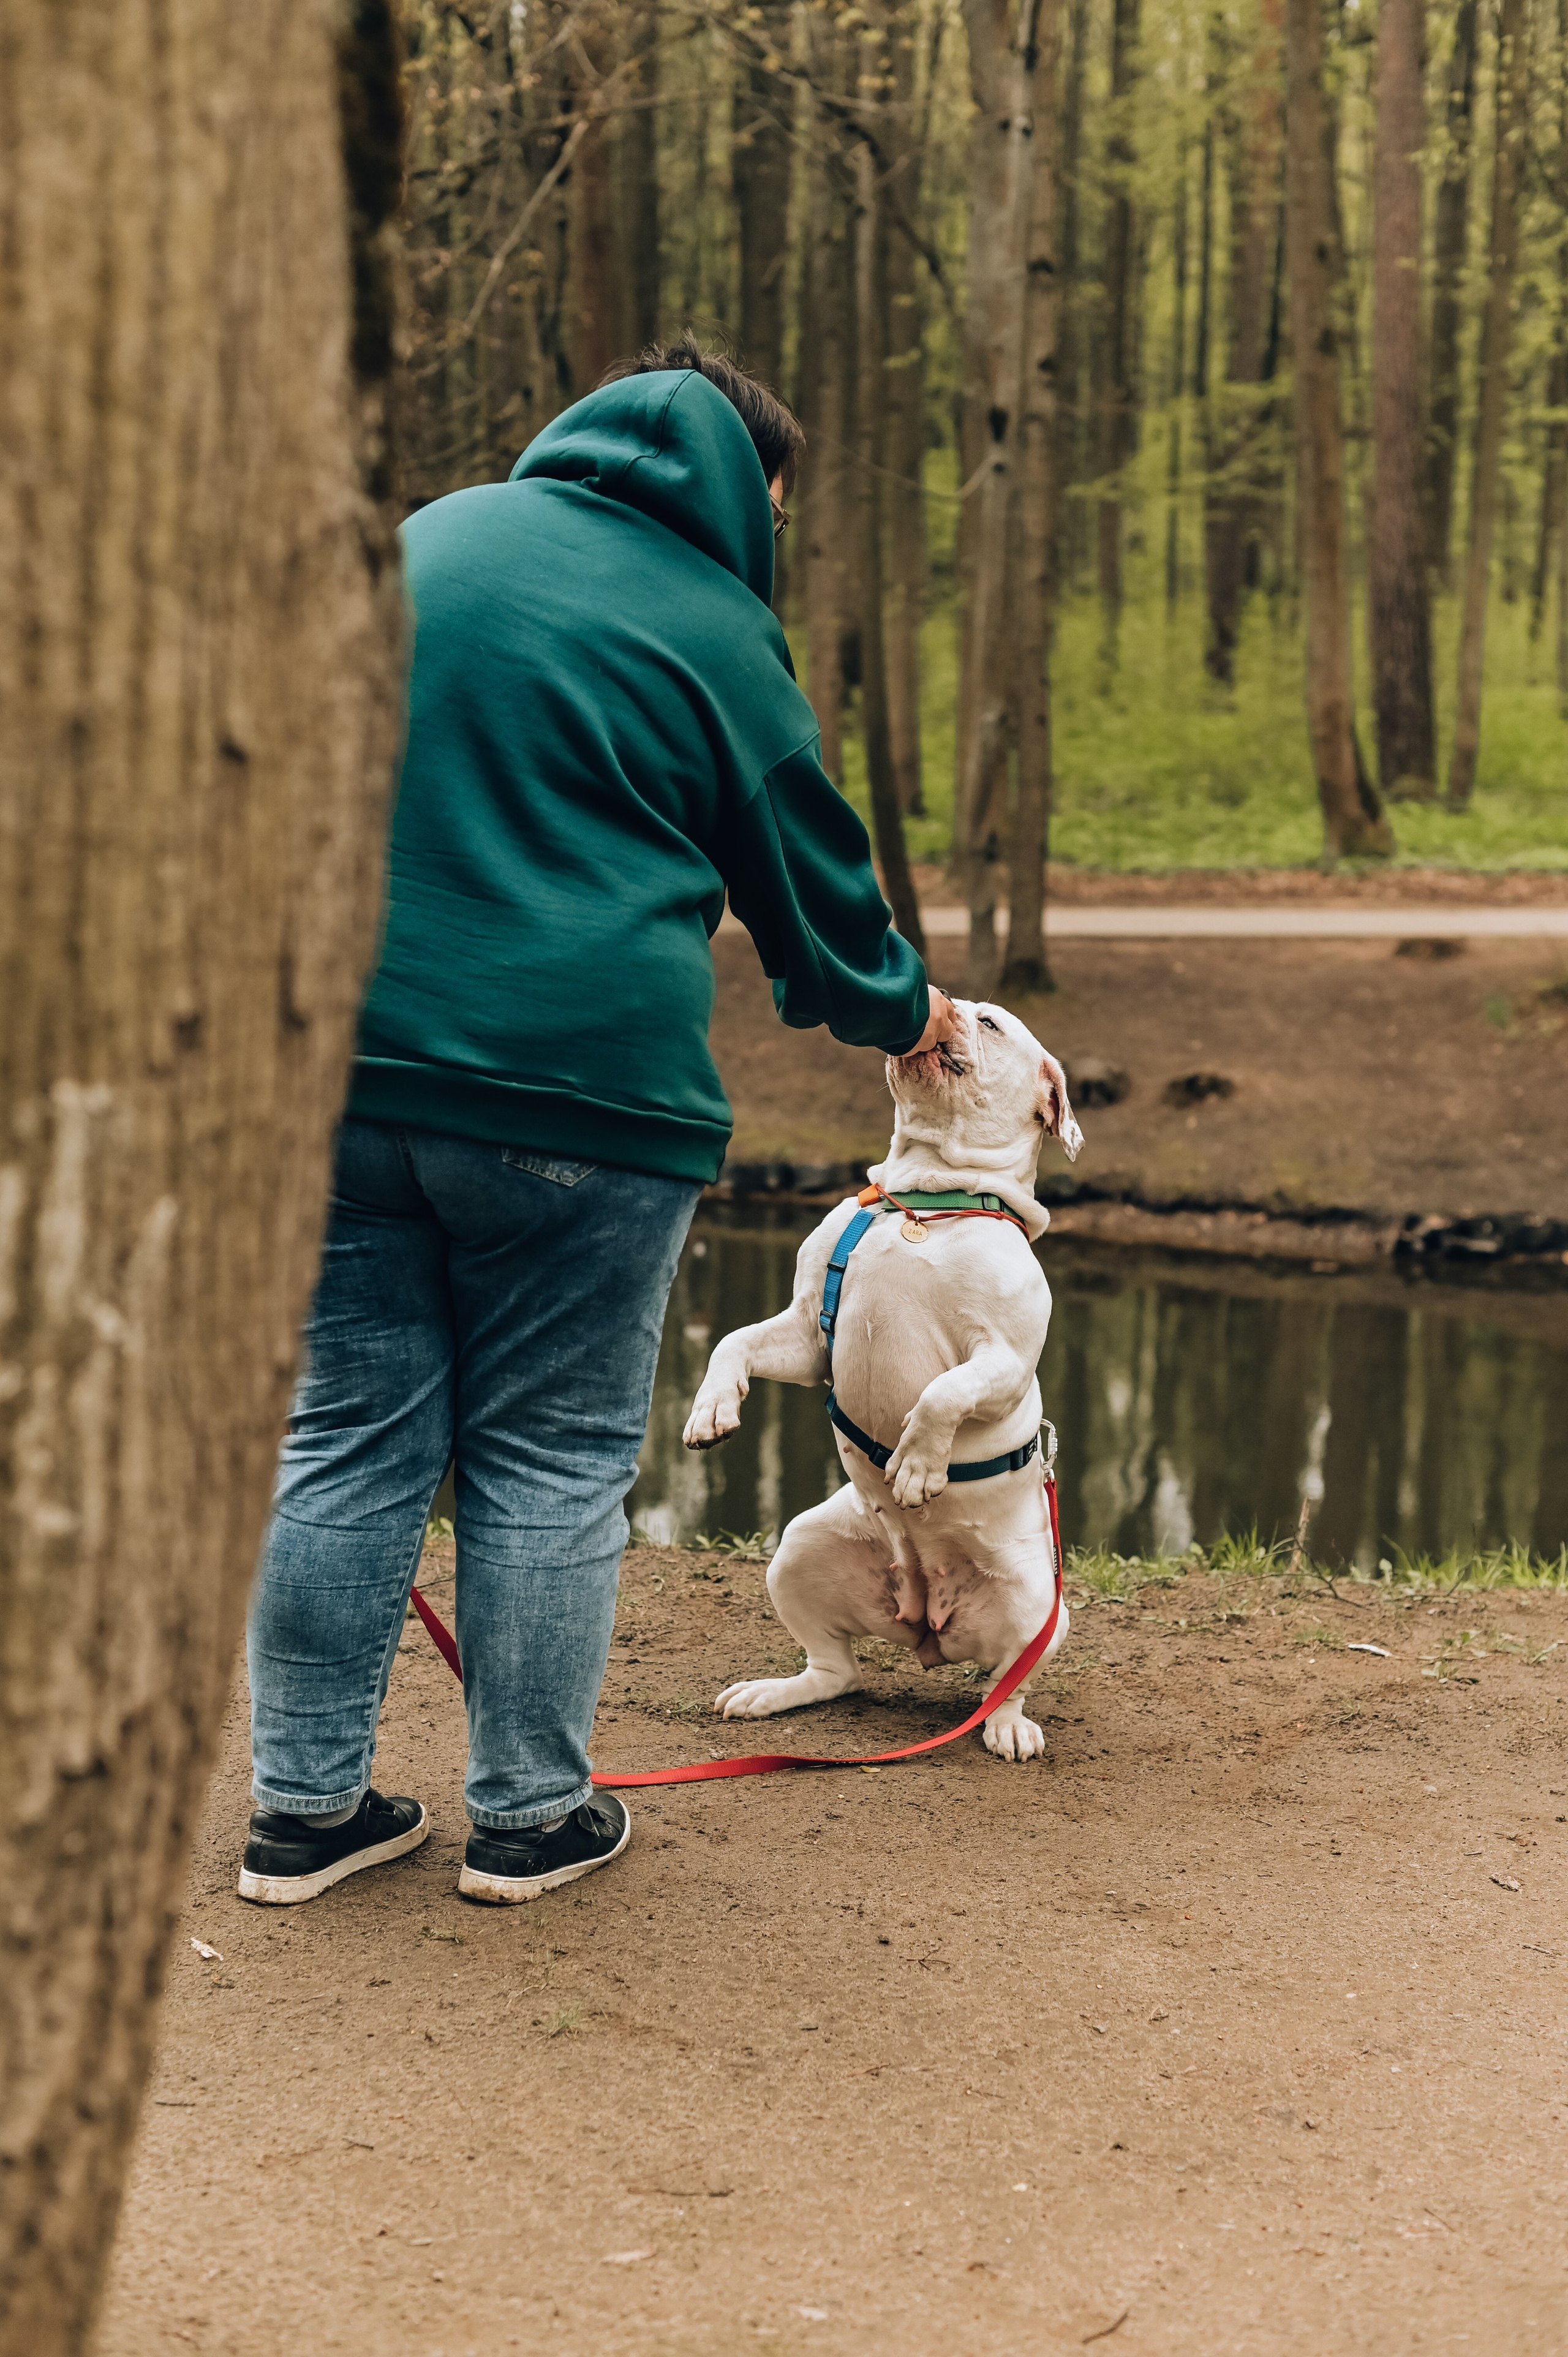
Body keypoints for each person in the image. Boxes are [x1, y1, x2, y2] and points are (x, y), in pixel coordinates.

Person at [238, 335, 955, 1909]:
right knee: (548, 1459)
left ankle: (302, 1811)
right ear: (748, 490)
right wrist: (917, 1020)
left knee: (343, 1443)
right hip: (585, 1108)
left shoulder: (421, 540)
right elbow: (820, 924)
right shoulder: (716, 624)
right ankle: (529, 1818)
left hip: (337, 1072)